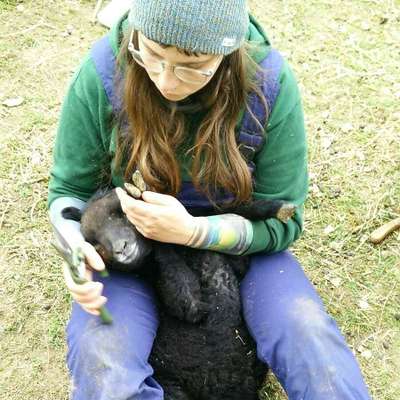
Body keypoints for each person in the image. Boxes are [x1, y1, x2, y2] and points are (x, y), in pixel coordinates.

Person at [48, 1, 371, 399]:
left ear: (228, 52)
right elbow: (70, 194)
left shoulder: (268, 83)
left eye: (192, 65)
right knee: (106, 367)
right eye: (150, 53)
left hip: (242, 254)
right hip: (136, 257)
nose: (166, 80)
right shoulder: (102, 72)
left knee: (309, 339)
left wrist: (198, 231)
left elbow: (284, 219)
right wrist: (74, 249)